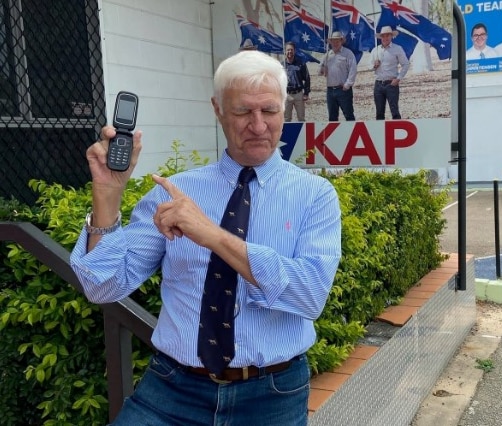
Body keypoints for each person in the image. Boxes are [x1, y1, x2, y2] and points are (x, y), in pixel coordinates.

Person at [70, 51, 342, 425]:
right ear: (218, 110)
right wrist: (107, 194)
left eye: (270, 110)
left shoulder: (316, 195)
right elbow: (102, 286)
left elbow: (309, 295)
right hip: (172, 390)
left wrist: (212, 235)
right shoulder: (175, 192)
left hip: (271, 396)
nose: (259, 126)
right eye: (243, 111)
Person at [371, 26, 410, 120]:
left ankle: (398, 133)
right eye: (383, 36)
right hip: (378, 84)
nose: (385, 38)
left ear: (391, 36)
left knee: (395, 112)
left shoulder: (397, 49)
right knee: (379, 113)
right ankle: (380, 133)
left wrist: (398, 78)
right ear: (380, 37)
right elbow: (369, 66)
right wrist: (374, 65)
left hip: (391, 84)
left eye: (388, 35)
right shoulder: (375, 50)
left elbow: (405, 64)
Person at [319, 31, 357, 121]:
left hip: (343, 90)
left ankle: (352, 134)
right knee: (332, 118)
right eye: (333, 41)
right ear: (331, 42)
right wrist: (322, 69)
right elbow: (319, 71)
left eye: (337, 41)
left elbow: (353, 70)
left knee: (349, 115)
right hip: (330, 91)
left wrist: (347, 85)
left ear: (341, 41)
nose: (335, 43)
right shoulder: (327, 55)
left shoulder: (348, 53)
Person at [283, 42, 311, 122]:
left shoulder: (301, 63)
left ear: (294, 51)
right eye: (288, 50)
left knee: (301, 119)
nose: (290, 52)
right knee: (286, 119)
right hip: (287, 95)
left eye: (291, 50)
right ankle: (288, 135)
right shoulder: (282, 65)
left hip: (299, 94)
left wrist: (306, 93)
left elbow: (307, 78)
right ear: (285, 51)